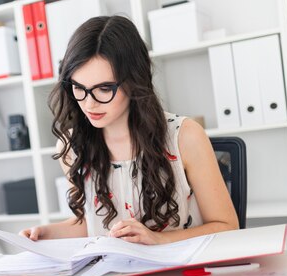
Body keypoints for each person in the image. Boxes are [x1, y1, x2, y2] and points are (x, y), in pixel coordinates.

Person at [20, 15, 238, 245]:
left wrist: (158, 239)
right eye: (78, 87)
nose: (89, 103)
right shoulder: (71, 147)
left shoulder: (185, 137)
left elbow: (227, 227)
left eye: (104, 88)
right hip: (114, 275)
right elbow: (91, 222)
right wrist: (46, 233)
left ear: (134, 81)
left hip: (179, 273)